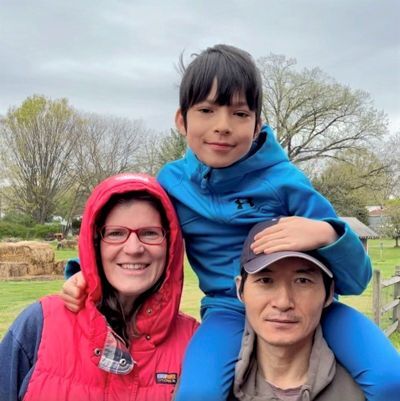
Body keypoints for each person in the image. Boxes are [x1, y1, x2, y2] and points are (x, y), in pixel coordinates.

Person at [62, 44, 400, 401]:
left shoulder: (285, 181)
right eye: (207, 110)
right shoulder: (172, 184)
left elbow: (357, 280)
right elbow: (136, 236)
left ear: (258, 124)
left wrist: (327, 232)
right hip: (227, 310)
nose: (222, 126)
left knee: (390, 379)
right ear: (182, 119)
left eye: (239, 113)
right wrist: (84, 271)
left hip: (306, 306)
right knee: (197, 394)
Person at [0, 173, 198, 401]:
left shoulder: (195, 343)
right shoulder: (39, 325)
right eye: (116, 233)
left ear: (170, 246)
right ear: (95, 243)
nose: (133, 248)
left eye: (150, 233)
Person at [231, 219, 365, 400]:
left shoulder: (363, 391)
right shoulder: (212, 388)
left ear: (329, 293)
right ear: (241, 290)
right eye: (265, 280)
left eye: (303, 280)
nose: (283, 302)